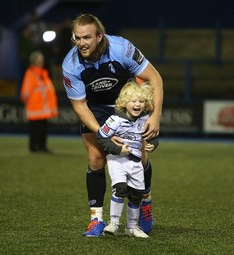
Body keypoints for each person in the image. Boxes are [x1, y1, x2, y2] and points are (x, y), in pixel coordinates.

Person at [62, 13, 163, 237]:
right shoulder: (71, 64)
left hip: (126, 104)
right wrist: (104, 135)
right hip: (95, 109)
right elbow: (80, 106)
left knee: (139, 156)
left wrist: (155, 116)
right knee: (95, 158)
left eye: (86, 37)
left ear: (100, 35)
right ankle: (96, 219)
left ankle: (145, 202)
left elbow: (154, 78)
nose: (81, 43)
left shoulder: (121, 48)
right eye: (77, 38)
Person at [97, 81, 159, 238]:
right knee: (121, 189)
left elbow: (152, 138)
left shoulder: (145, 120)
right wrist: (118, 149)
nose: (137, 104)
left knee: (137, 194)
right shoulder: (115, 120)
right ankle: (113, 223)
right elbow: (101, 137)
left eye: (141, 101)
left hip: (135, 162)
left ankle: (131, 227)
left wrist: (152, 144)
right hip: (117, 160)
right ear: (125, 103)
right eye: (133, 101)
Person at [21, 51, 58, 153]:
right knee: (35, 129)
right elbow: (25, 92)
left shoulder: (42, 74)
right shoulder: (31, 74)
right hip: (35, 108)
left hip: (42, 109)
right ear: (33, 62)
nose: (41, 62)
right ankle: (34, 147)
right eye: (39, 60)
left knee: (43, 129)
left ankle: (42, 146)